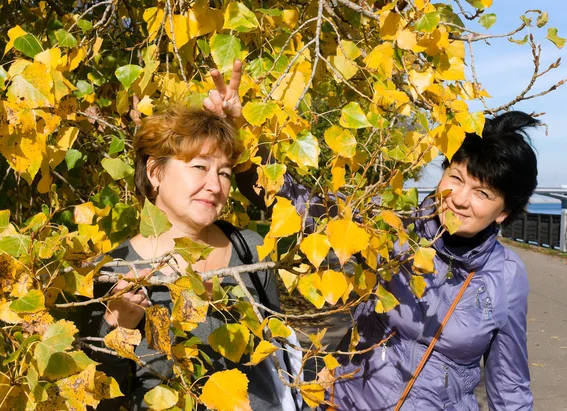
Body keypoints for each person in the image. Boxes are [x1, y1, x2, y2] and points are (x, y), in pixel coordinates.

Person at [205, 62, 538, 410]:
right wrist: (238, 132)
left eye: (482, 193)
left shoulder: (506, 276)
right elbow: (293, 200)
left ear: (504, 212)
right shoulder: (391, 226)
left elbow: (510, 385)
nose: (459, 198)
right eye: (456, 177)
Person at [83, 104, 296, 411]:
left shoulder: (249, 248)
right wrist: (116, 328)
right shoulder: (110, 272)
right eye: (200, 167)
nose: (215, 185)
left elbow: (276, 351)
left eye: (223, 172)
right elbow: (97, 401)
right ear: (156, 172)